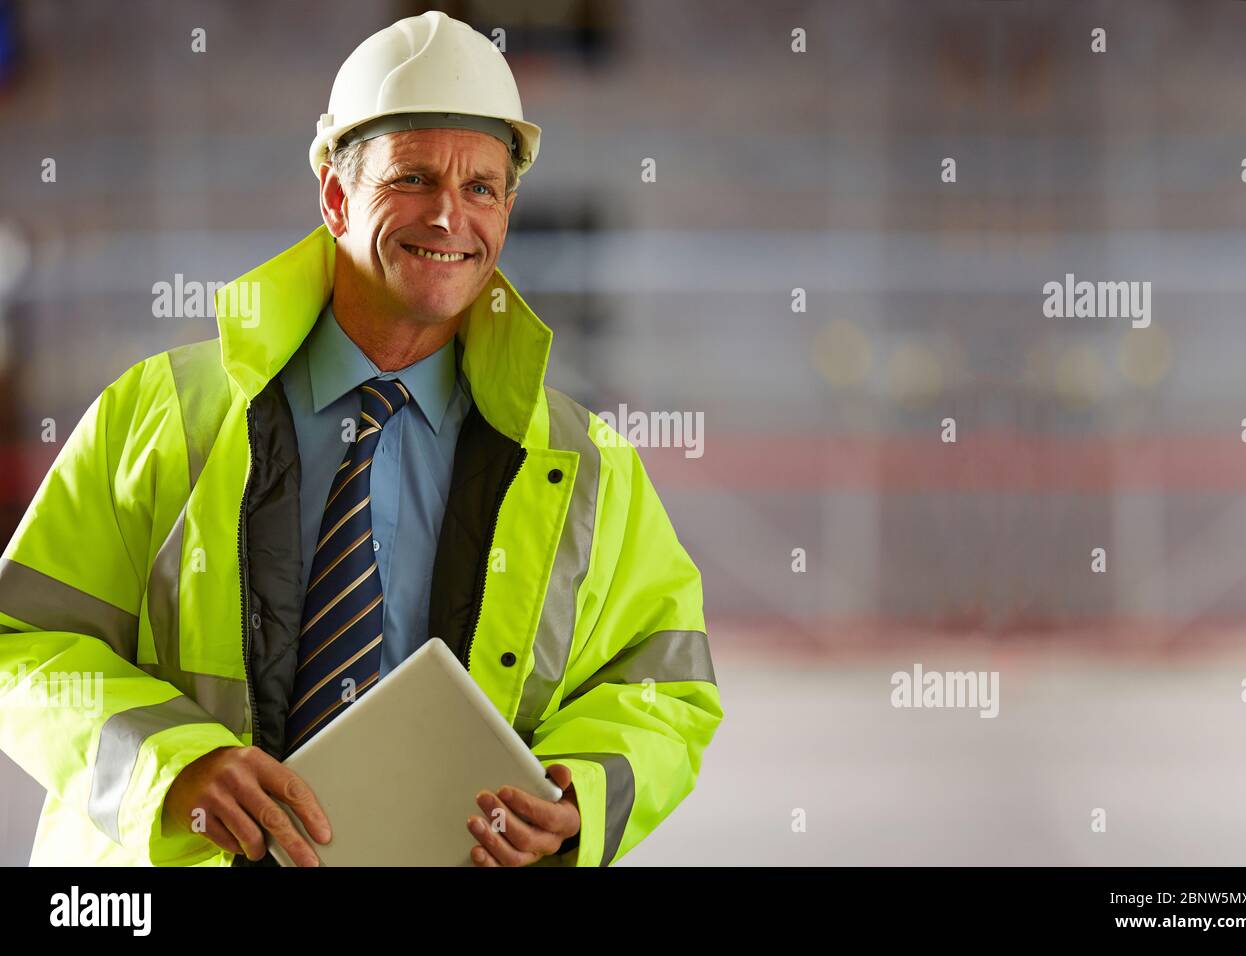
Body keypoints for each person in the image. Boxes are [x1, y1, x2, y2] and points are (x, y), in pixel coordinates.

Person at [0, 10, 722, 867]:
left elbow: (663, 685)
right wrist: (174, 770)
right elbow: (24, 645)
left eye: (482, 188)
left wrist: (577, 793)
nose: (451, 218)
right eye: (413, 179)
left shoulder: (585, 462)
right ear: (336, 195)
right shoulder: (161, 414)